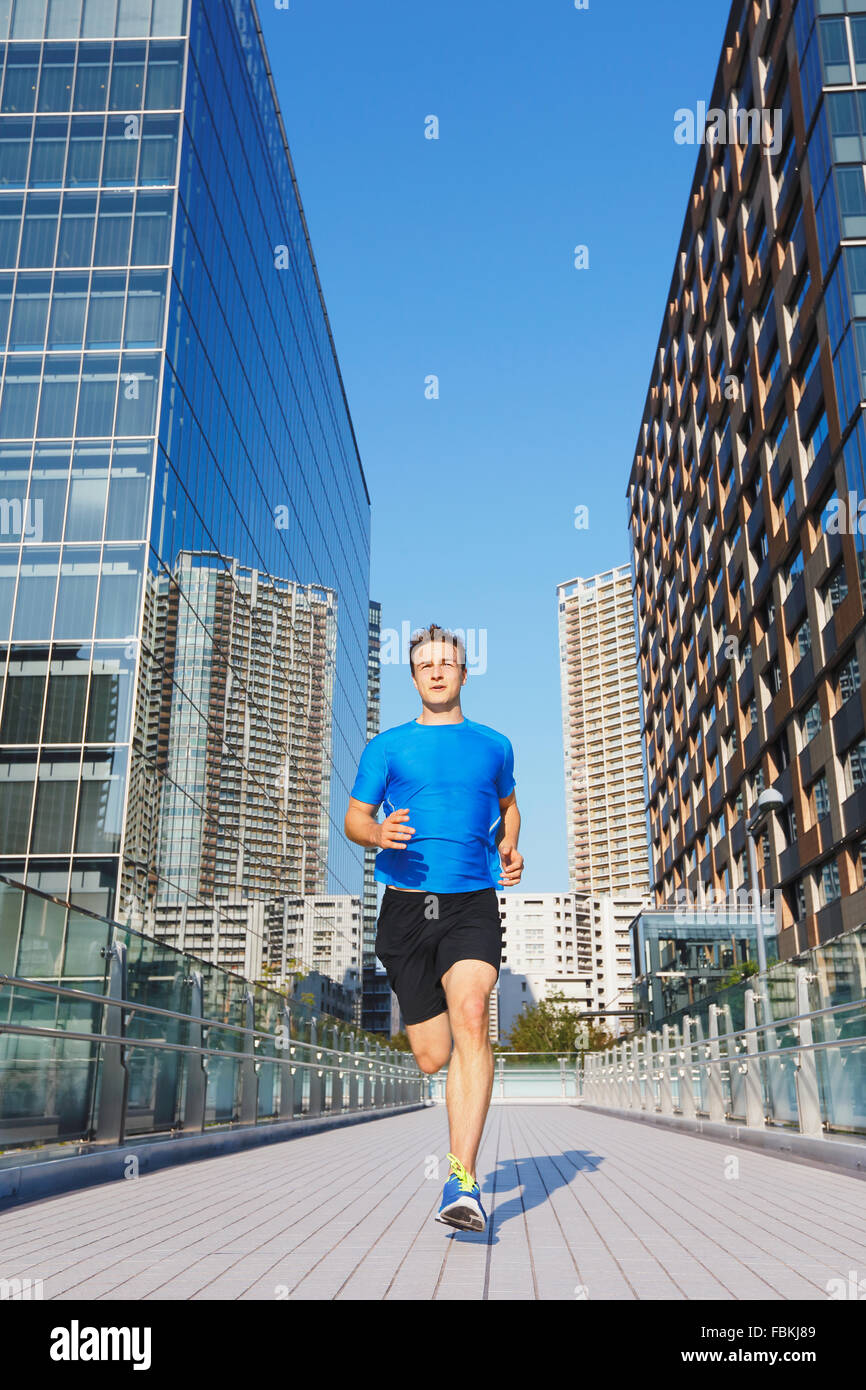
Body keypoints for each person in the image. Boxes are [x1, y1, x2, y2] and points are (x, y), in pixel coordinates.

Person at [344, 623, 523, 1233]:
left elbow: (508, 807)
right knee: (431, 1055)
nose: (438, 671)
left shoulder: (494, 745)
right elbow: (354, 819)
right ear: (415, 677)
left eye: (448, 662)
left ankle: (462, 1179)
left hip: (473, 900)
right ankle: (455, 1127)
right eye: (426, 665)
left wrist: (512, 847)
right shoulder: (387, 748)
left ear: (464, 673)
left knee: (473, 1016)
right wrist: (379, 833)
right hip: (406, 908)